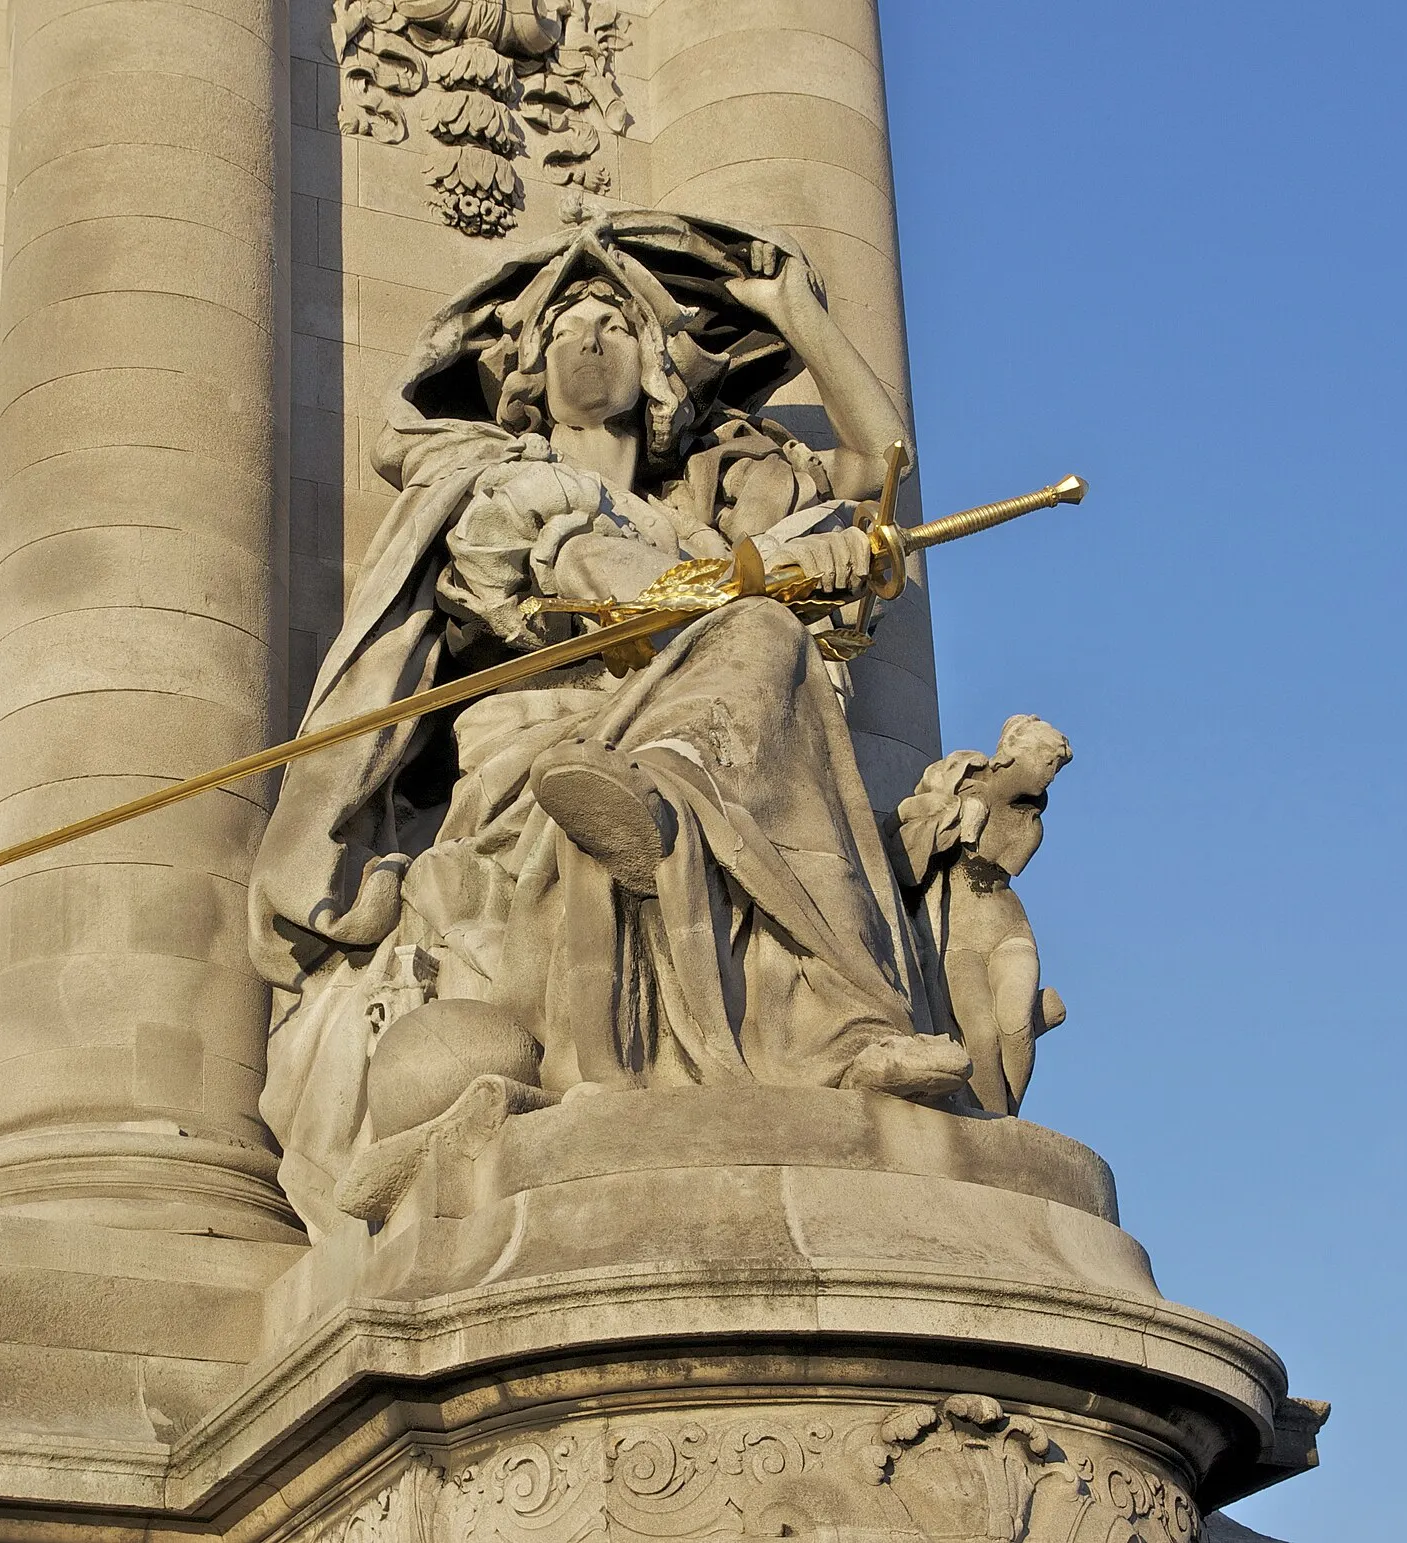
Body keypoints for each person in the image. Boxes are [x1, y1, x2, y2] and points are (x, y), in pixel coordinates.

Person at [248, 211, 967, 1230]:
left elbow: (878, 465)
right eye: (568, 328)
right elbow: (607, 589)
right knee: (761, 639)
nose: (592, 340)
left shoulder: (708, 497)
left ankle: (820, 1005)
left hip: (674, 752)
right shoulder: (500, 489)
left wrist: (796, 316)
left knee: (769, 658)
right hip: (535, 767)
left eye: (617, 326)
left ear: (659, 367)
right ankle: (778, 948)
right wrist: (764, 572)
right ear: (526, 371)